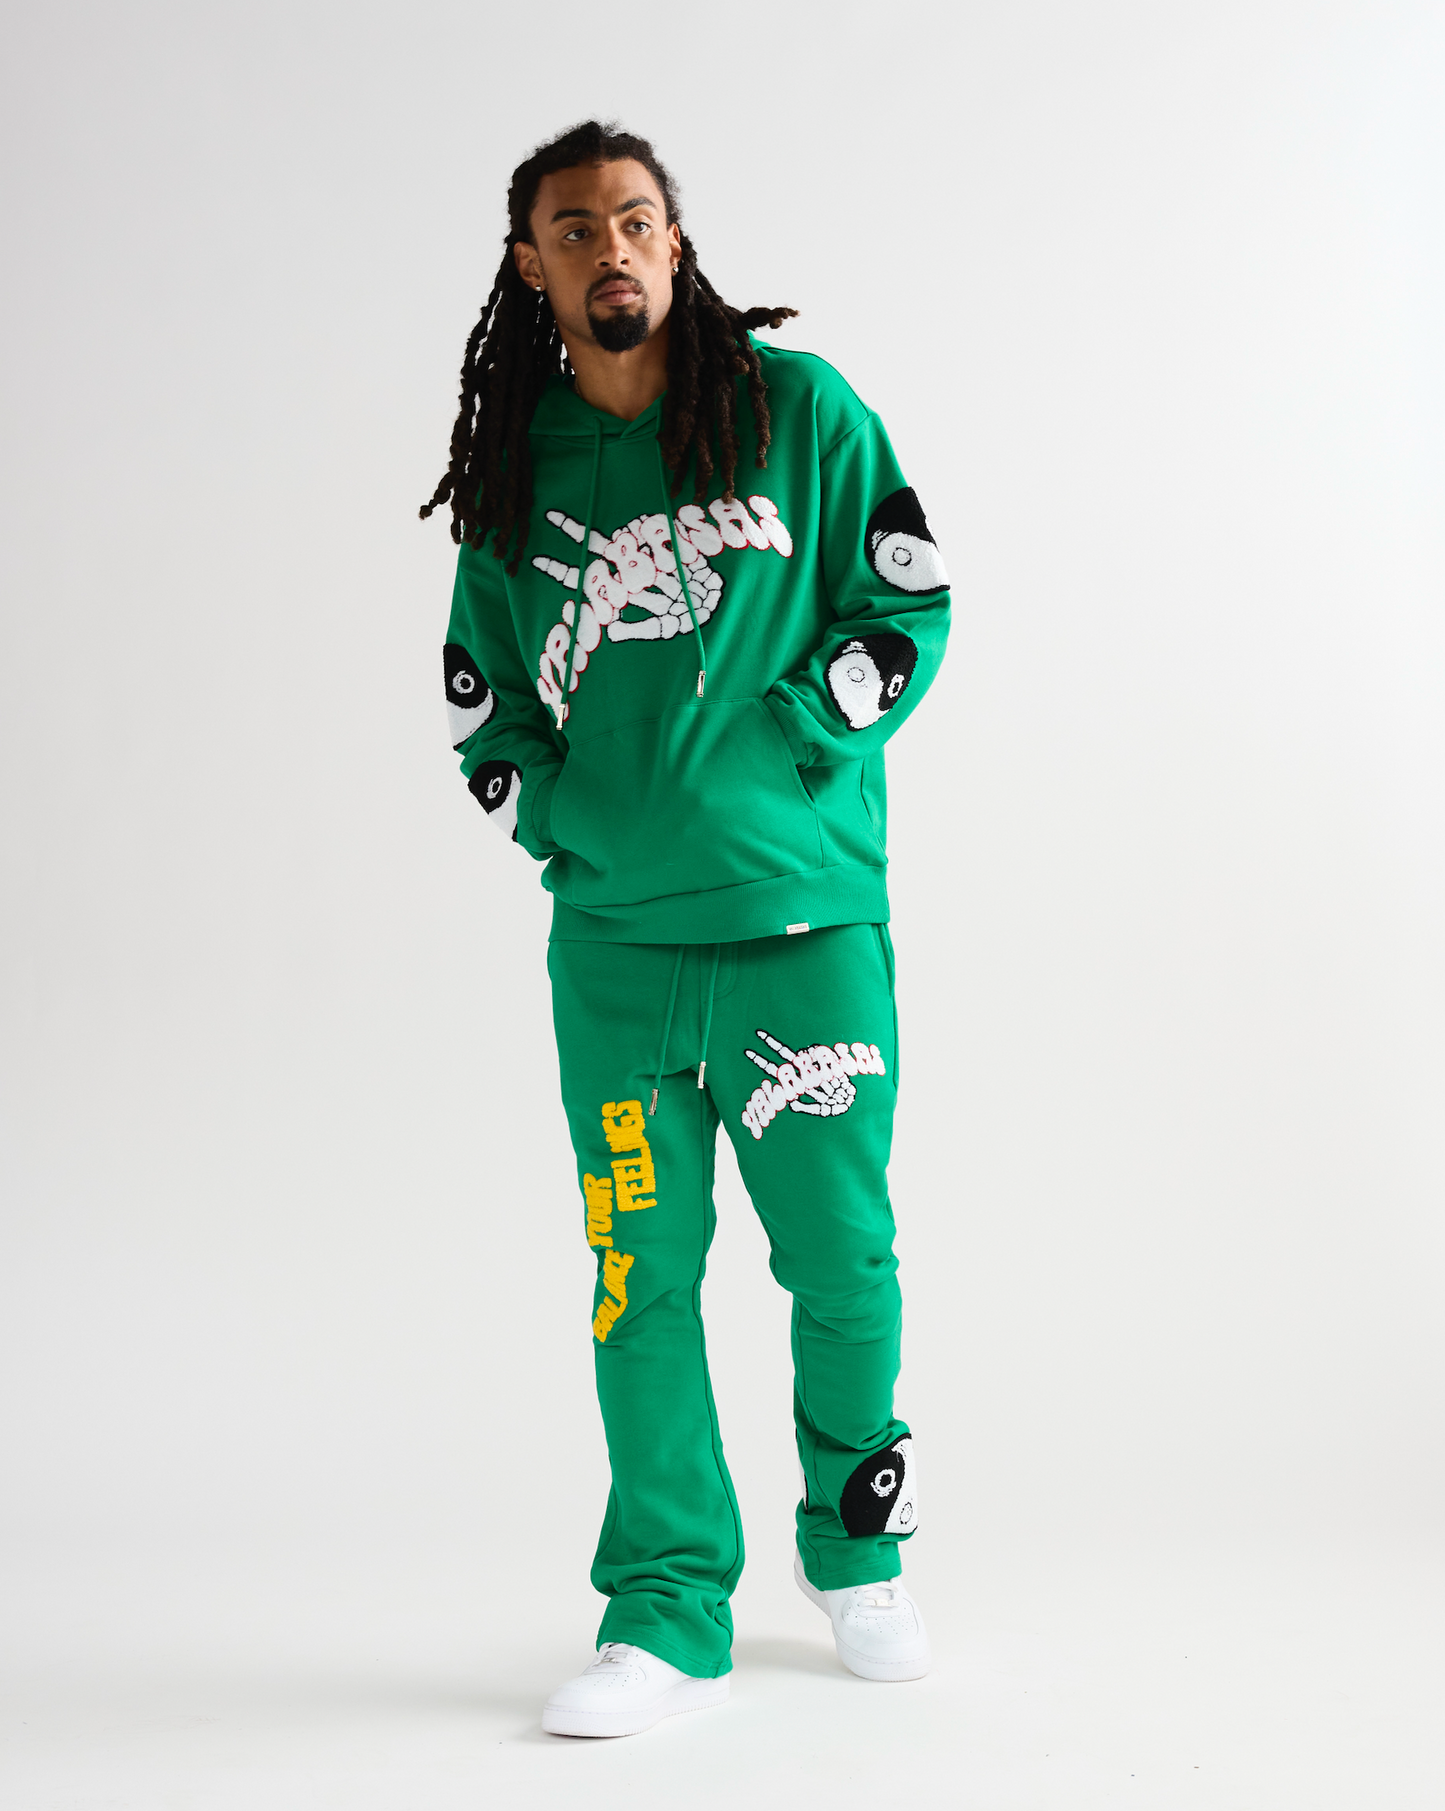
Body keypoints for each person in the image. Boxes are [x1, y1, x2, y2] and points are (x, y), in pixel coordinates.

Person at [424, 120, 950, 1739]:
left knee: (841, 1261)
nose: (613, 247)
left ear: (676, 240)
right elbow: (485, 705)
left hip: (804, 929)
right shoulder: (515, 470)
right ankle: (666, 1607)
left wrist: (793, 740)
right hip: (618, 961)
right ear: (533, 264)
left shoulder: (799, 412)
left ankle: (856, 1547)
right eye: (576, 227)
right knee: (635, 1280)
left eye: (636, 219)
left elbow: (907, 598)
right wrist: (568, 822)